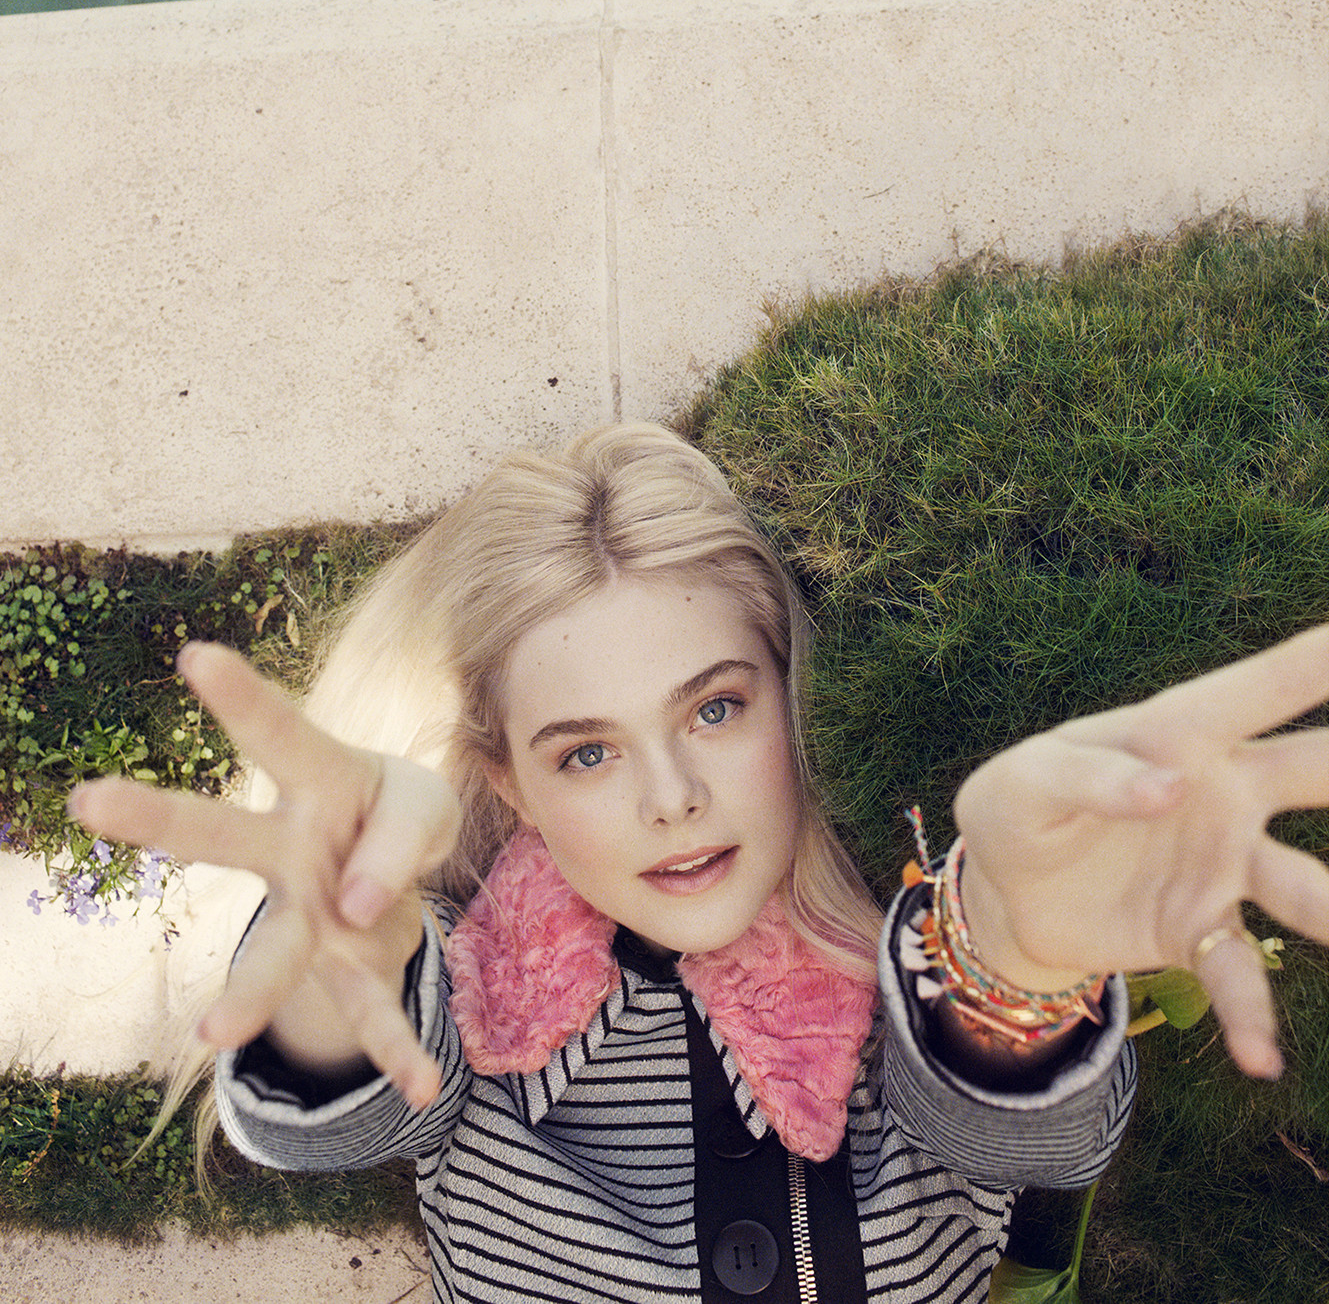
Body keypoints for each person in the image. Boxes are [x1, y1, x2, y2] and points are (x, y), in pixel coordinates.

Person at [68, 422, 1329, 1304]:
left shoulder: (909, 967)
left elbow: (1043, 1145)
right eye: (586, 753)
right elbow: (326, 1127)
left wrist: (1016, 952)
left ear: (789, 688)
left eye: (716, 708)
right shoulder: (474, 993)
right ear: (506, 781)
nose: (671, 799)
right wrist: (338, 942)